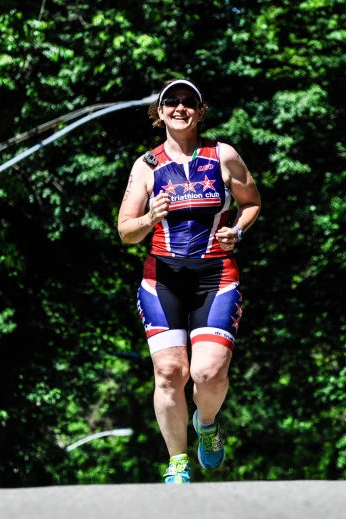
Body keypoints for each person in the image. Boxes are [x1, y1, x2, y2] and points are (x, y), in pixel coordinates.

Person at [117, 79, 261, 484]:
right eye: (171, 102)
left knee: (208, 374)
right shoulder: (146, 166)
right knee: (168, 372)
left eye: (188, 102)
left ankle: (208, 424)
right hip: (161, 280)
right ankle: (177, 462)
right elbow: (125, 230)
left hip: (216, 277)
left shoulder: (224, 156)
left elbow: (251, 203)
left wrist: (239, 231)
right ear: (159, 112)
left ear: (200, 112)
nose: (179, 108)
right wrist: (149, 218)